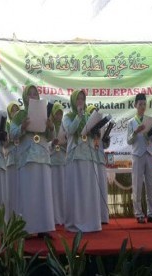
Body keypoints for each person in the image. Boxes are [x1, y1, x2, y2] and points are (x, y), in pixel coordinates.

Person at [10, 84, 55, 237]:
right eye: (30, 94)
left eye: (35, 94)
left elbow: (50, 137)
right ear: (25, 97)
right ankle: (27, 229)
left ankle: (43, 228)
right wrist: (22, 127)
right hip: (27, 157)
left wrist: (50, 127)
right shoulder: (20, 115)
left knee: (43, 192)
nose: (33, 96)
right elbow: (12, 135)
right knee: (29, 193)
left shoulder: (44, 114)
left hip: (42, 156)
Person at [63, 90, 101, 232]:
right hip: (75, 156)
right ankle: (76, 222)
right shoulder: (68, 116)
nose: (80, 101)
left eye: (82, 99)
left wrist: (95, 130)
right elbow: (70, 131)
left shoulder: (88, 117)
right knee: (77, 190)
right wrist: (78, 116)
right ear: (73, 101)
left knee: (88, 189)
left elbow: (92, 135)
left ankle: (91, 222)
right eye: (78, 99)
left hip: (89, 155)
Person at [127, 94, 152, 224]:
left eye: (144, 104)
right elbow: (129, 141)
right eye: (140, 104)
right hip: (137, 155)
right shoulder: (131, 122)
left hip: (148, 153)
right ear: (135, 105)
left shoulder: (150, 120)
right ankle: (139, 214)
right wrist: (135, 132)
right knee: (137, 185)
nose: (142, 106)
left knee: (151, 185)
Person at [87, 104, 110, 225]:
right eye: (91, 113)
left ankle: (103, 217)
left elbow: (103, 145)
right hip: (90, 159)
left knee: (102, 187)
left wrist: (106, 140)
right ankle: (93, 216)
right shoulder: (87, 127)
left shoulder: (102, 126)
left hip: (100, 159)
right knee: (92, 189)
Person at [49, 102, 67, 225]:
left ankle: (63, 216)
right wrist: (53, 143)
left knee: (62, 189)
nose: (59, 115)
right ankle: (54, 217)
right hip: (51, 160)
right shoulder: (49, 125)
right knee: (53, 190)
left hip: (62, 160)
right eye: (57, 113)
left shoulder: (65, 126)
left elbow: (69, 141)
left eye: (61, 113)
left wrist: (63, 142)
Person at [5, 101, 20, 217]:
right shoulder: (6, 125)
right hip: (10, 160)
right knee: (11, 190)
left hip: (21, 160)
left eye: (17, 110)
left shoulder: (22, 126)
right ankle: (10, 217)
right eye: (13, 110)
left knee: (20, 190)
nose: (15, 112)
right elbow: (4, 144)